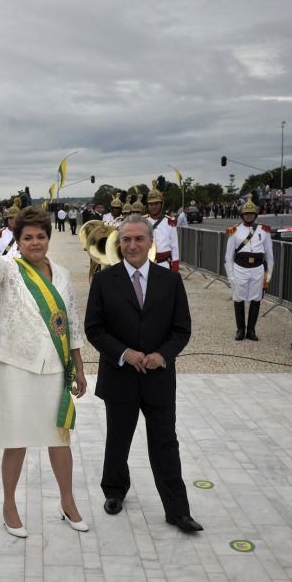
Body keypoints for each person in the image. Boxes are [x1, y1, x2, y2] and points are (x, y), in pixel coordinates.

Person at [84, 215, 201, 533]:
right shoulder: (104, 281)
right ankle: (114, 491)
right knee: (117, 440)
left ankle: (178, 510)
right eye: (126, 240)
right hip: (119, 376)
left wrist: (162, 355)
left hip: (158, 378)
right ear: (119, 244)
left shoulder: (171, 281)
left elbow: (182, 329)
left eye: (138, 239)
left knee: (165, 443)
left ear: (151, 242)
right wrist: (124, 353)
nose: (132, 245)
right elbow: (93, 329)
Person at [0, 206, 89, 538]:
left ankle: (67, 502)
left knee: (59, 437)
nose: (35, 242)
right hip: (14, 364)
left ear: (49, 238)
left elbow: (71, 323)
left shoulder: (64, 274)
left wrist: (79, 367)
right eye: (28, 237)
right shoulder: (10, 269)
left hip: (54, 363)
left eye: (41, 236)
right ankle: (9, 504)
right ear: (18, 240)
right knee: (17, 439)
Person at [224, 196, 273, 341]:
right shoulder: (234, 231)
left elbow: (270, 255)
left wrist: (269, 272)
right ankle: (240, 329)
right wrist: (230, 276)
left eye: (251, 214)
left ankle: (251, 330)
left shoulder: (264, 231)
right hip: (240, 268)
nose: (249, 216)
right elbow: (228, 257)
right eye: (246, 214)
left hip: (257, 269)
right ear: (242, 215)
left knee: (256, 299)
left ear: (255, 215)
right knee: (239, 298)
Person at [145, 181, 180, 271]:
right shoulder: (142, 222)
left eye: (156, 203)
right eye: (151, 204)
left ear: (161, 204)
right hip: (145, 265)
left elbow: (174, 246)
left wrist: (175, 267)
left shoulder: (169, 222)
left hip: (164, 265)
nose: (153, 206)